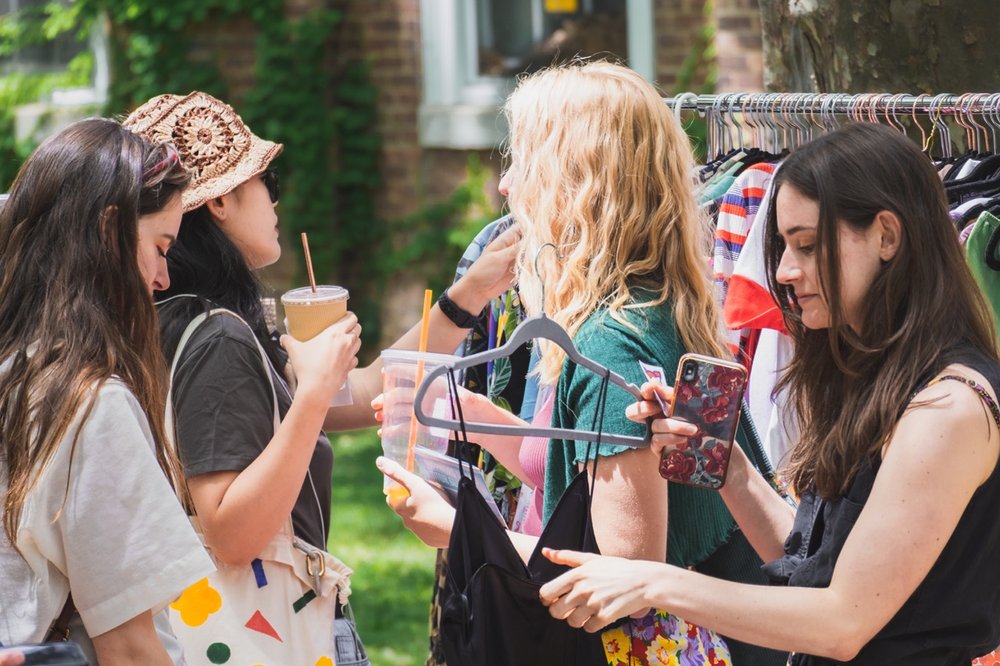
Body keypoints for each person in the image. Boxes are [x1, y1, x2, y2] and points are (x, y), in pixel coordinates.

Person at [537, 122, 1000, 665]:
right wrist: (729, 469)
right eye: (783, 247)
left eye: (806, 246)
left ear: (887, 236)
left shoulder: (947, 408)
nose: (783, 271)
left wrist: (653, 583)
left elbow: (842, 622)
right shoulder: (891, 386)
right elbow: (812, 571)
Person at [378, 60, 785, 665]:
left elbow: (628, 575)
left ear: (573, 185)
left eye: (522, 164)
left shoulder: (610, 339)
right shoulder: (654, 304)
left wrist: (456, 528)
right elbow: (575, 464)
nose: (506, 187)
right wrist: (475, 415)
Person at [122, 92, 517, 663]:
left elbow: (360, 392)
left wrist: (467, 297)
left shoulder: (189, 319)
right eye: (268, 181)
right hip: (263, 631)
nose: (277, 200)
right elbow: (232, 533)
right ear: (221, 203)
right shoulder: (217, 341)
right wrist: (311, 391)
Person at [0, 119, 214, 664]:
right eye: (160, 245)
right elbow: (130, 648)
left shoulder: (14, 372)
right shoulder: (89, 404)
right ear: (108, 230)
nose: (163, 276)